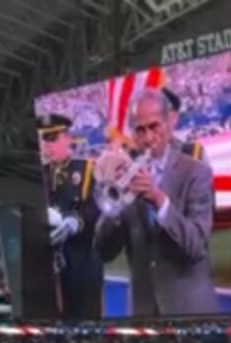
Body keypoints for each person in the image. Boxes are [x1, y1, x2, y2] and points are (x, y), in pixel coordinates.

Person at [93, 89, 220, 317]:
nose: (148, 138)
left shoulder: (196, 172)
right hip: (143, 311)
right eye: (140, 130)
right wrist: (113, 210)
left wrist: (159, 200)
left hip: (189, 309)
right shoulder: (126, 175)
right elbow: (104, 252)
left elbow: (197, 246)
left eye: (154, 127)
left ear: (169, 124)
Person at [39, 113, 104, 320]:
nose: (48, 146)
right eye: (45, 140)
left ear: (68, 139)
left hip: (81, 261)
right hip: (50, 265)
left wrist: (75, 222)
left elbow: (96, 208)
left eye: (54, 139)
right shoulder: (42, 174)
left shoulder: (85, 170)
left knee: (85, 318)